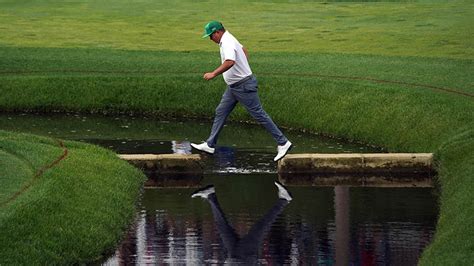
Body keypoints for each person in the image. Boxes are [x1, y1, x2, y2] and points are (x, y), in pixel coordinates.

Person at [191, 21, 292, 162]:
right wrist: (244, 67)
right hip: (234, 87)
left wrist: (214, 73)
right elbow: (243, 50)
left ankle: (283, 142)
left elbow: (230, 61)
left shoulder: (227, 41)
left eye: (210, 36)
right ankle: (210, 144)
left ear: (217, 32)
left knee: (259, 114)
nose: (210, 39)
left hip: (243, 86)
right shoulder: (229, 38)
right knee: (221, 111)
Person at [190, 181, 292, 264]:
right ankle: (283, 201)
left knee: (223, 228)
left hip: (237, 259)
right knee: (259, 229)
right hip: (243, 259)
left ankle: (211, 195)